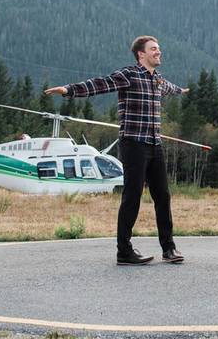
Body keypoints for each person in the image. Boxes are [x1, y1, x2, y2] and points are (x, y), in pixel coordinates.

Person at [45, 36, 188, 265]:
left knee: (163, 196)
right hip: (133, 145)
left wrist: (181, 91)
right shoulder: (128, 75)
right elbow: (100, 84)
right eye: (154, 49)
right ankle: (124, 251)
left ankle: (169, 249)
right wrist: (69, 90)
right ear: (141, 54)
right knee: (132, 196)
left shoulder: (158, 80)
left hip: (155, 144)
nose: (158, 52)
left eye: (159, 49)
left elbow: (170, 88)